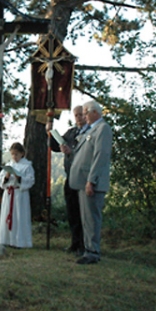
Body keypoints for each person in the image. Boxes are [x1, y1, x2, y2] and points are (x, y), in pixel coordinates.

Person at [69, 100, 112, 265]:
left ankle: (93, 252)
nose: (84, 116)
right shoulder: (91, 130)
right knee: (86, 218)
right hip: (82, 182)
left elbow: (100, 155)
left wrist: (91, 180)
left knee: (92, 218)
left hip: (91, 182)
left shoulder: (103, 129)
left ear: (95, 113)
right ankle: (88, 249)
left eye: (86, 112)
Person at [46, 105, 87, 256]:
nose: (79, 118)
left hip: (83, 178)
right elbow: (55, 146)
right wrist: (50, 132)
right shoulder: (71, 132)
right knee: (72, 212)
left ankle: (85, 245)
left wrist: (72, 151)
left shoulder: (90, 132)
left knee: (84, 213)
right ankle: (75, 243)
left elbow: (88, 154)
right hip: (70, 176)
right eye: (76, 115)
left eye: (81, 114)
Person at [0, 142, 35, 248]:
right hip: (9, 193)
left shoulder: (27, 166)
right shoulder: (9, 165)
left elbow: (30, 181)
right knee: (7, 215)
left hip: (20, 194)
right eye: (12, 154)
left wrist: (19, 178)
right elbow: (1, 181)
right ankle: (6, 240)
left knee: (19, 217)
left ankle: (20, 241)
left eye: (16, 154)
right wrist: (7, 177)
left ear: (22, 154)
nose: (14, 157)